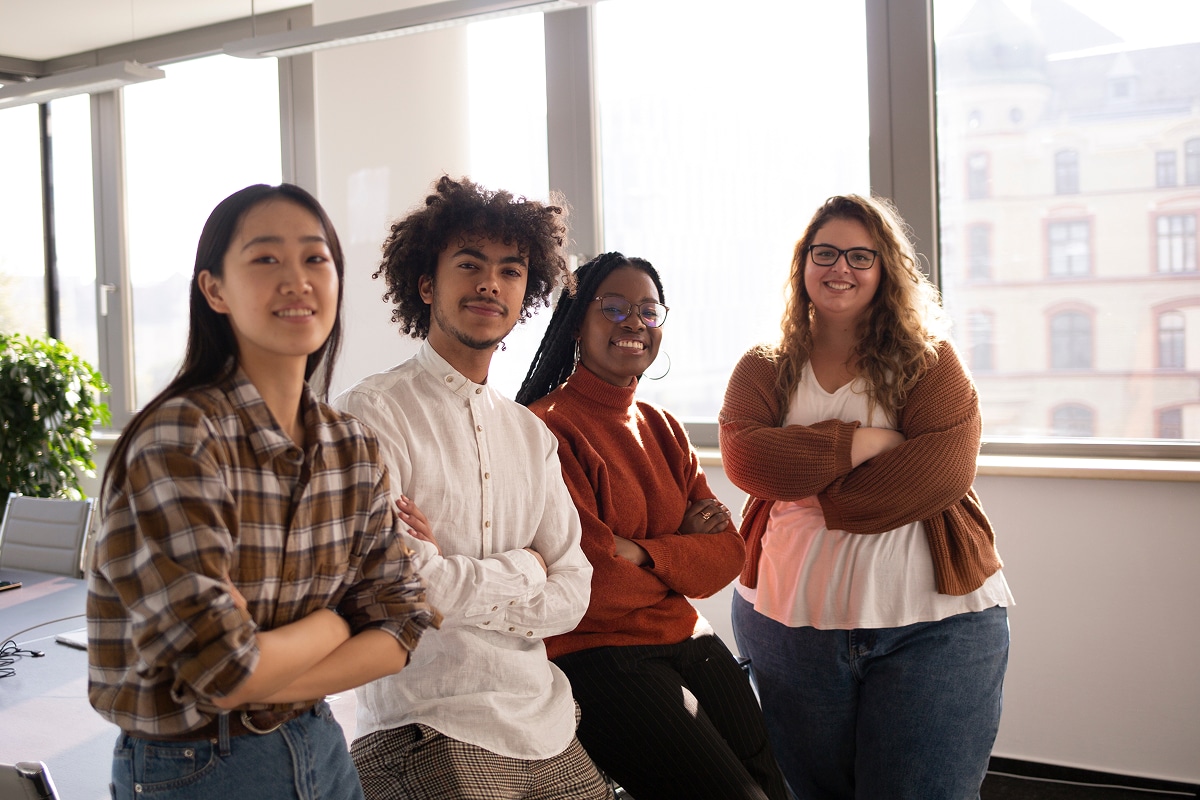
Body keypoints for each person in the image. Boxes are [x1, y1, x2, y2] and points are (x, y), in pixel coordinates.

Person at [87, 183, 439, 800]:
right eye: (265, 259)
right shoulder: (179, 441)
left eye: (315, 258)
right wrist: (333, 624)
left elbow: (401, 623)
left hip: (319, 746)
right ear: (214, 290)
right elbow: (221, 668)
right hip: (196, 765)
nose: (297, 280)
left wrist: (263, 677)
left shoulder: (351, 446)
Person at [719, 194, 1014, 800]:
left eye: (861, 255)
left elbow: (941, 472)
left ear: (886, 270)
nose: (841, 268)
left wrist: (817, 493)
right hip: (789, 624)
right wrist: (866, 441)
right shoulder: (763, 366)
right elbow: (748, 459)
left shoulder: (928, 363)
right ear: (803, 264)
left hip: (937, 629)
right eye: (825, 253)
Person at [334, 175, 610, 800]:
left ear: (526, 293)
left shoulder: (529, 434)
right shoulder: (371, 414)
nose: (491, 283)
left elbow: (575, 592)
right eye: (470, 264)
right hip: (427, 720)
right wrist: (526, 568)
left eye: (511, 271)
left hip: (543, 721)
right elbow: (407, 588)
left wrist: (461, 580)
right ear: (427, 284)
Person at [517, 252, 789, 800]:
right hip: (596, 655)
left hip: (685, 636)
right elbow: (592, 586)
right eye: (613, 308)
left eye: (648, 310)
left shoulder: (662, 427)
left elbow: (728, 555)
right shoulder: (548, 429)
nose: (633, 323)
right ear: (576, 323)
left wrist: (639, 552)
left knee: (771, 788)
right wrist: (679, 550)